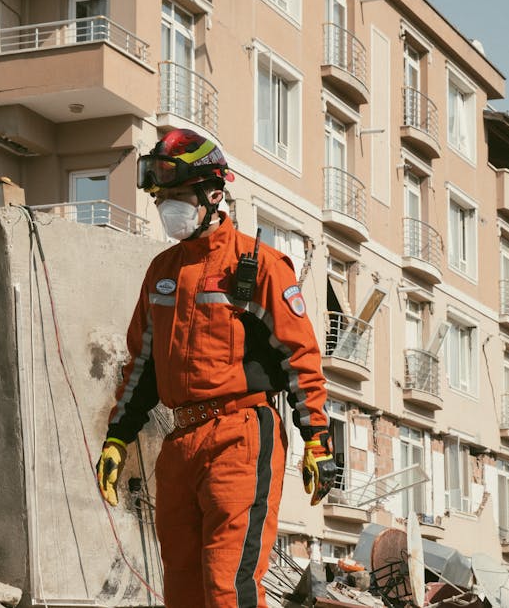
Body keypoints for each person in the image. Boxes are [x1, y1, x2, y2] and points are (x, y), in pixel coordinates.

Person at [95, 128, 336, 607]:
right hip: (180, 442)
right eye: (162, 197)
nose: (169, 208)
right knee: (182, 591)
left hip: (240, 436)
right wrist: (118, 436)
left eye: (180, 196)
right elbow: (140, 365)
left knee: (229, 587)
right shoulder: (162, 272)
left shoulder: (260, 266)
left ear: (214, 195)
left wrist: (316, 438)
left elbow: (300, 360)